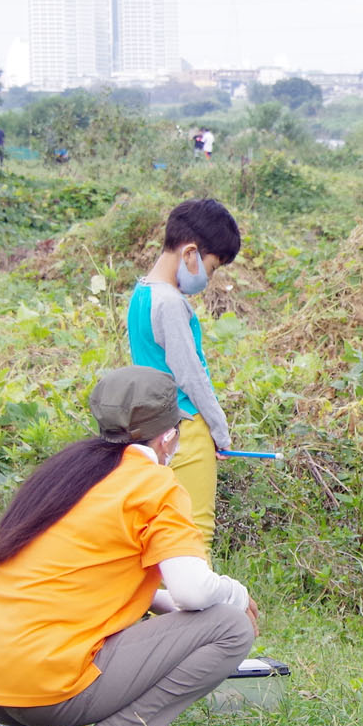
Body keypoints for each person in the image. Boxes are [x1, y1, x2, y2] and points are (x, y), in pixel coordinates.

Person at [0, 366, 258, 726]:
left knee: (190, 616)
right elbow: (192, 591)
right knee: (231, 625)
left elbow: (92, 575)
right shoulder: (155, 486)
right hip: (47, 688)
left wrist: (180, 621)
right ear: (169, 436)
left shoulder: (63, 475)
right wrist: (237, 596)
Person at [127, 198, 241, 545]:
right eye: (212, 267)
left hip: (152, 426)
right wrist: (220, 431)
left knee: (156, 536)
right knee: (193, 537)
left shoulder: (142, 293)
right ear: (190, 253)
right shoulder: (171, 304)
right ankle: (194, 601)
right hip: (186, 430)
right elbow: (191, 376)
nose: (210, 277)